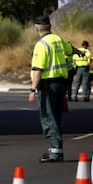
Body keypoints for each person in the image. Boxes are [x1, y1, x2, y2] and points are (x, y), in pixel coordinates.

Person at [28, 15, 75, 163]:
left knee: (49, 117)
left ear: (36, 28)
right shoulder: (58, 39)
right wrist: (78, 51)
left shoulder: (41, 45)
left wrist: (32, 89)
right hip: (61, 84)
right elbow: (69, 49)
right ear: (49, 27)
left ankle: (55, 152)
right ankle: (56, 149)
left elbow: (38, 69)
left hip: (47, 85)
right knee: (56, 116)